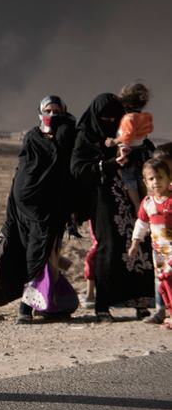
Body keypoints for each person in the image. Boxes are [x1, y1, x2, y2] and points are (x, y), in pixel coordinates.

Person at [71, 93, 155, 322]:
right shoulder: (86, 137)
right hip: (103, 202)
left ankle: (140, 303)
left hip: (133, 201)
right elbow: (78, 169)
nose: (108, 122)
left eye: (113, 117)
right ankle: (103, 306)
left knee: (141, 246)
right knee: (109, 248)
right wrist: (108, 164)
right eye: (104, 118)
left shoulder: (126, 132)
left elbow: (148, 152)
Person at [1, 96, 78, 323]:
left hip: (55, 208)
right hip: (28, 209)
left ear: (64, 111)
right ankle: (27, 308)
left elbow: (70, 172)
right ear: (40, 112)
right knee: (36, 255)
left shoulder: (69, 136)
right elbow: (24, 171)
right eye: (48, 110)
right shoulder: (33, 137)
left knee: (49, 256)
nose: (52, 115)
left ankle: (45, 307)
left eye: (57, 111)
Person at [128, 159, 172, 327]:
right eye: (151, 179)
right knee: (160, 280)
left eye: (160, 177)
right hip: (159, 251)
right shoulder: (147, 203)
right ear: (145, 181)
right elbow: (141, 223)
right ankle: (160, 311)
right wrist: (135, 243)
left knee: (168, 278)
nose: (156, 182)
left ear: (169, 179)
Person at [107, 81, 154, 209]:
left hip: (128, 152)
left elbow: (127, 137)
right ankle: (146, 203)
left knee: (129, 180)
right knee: (141, 178)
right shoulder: (146, 117)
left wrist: (114, 141)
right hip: (141, 151)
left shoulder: (129, 119)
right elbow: (149, 130)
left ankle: (138, 206)